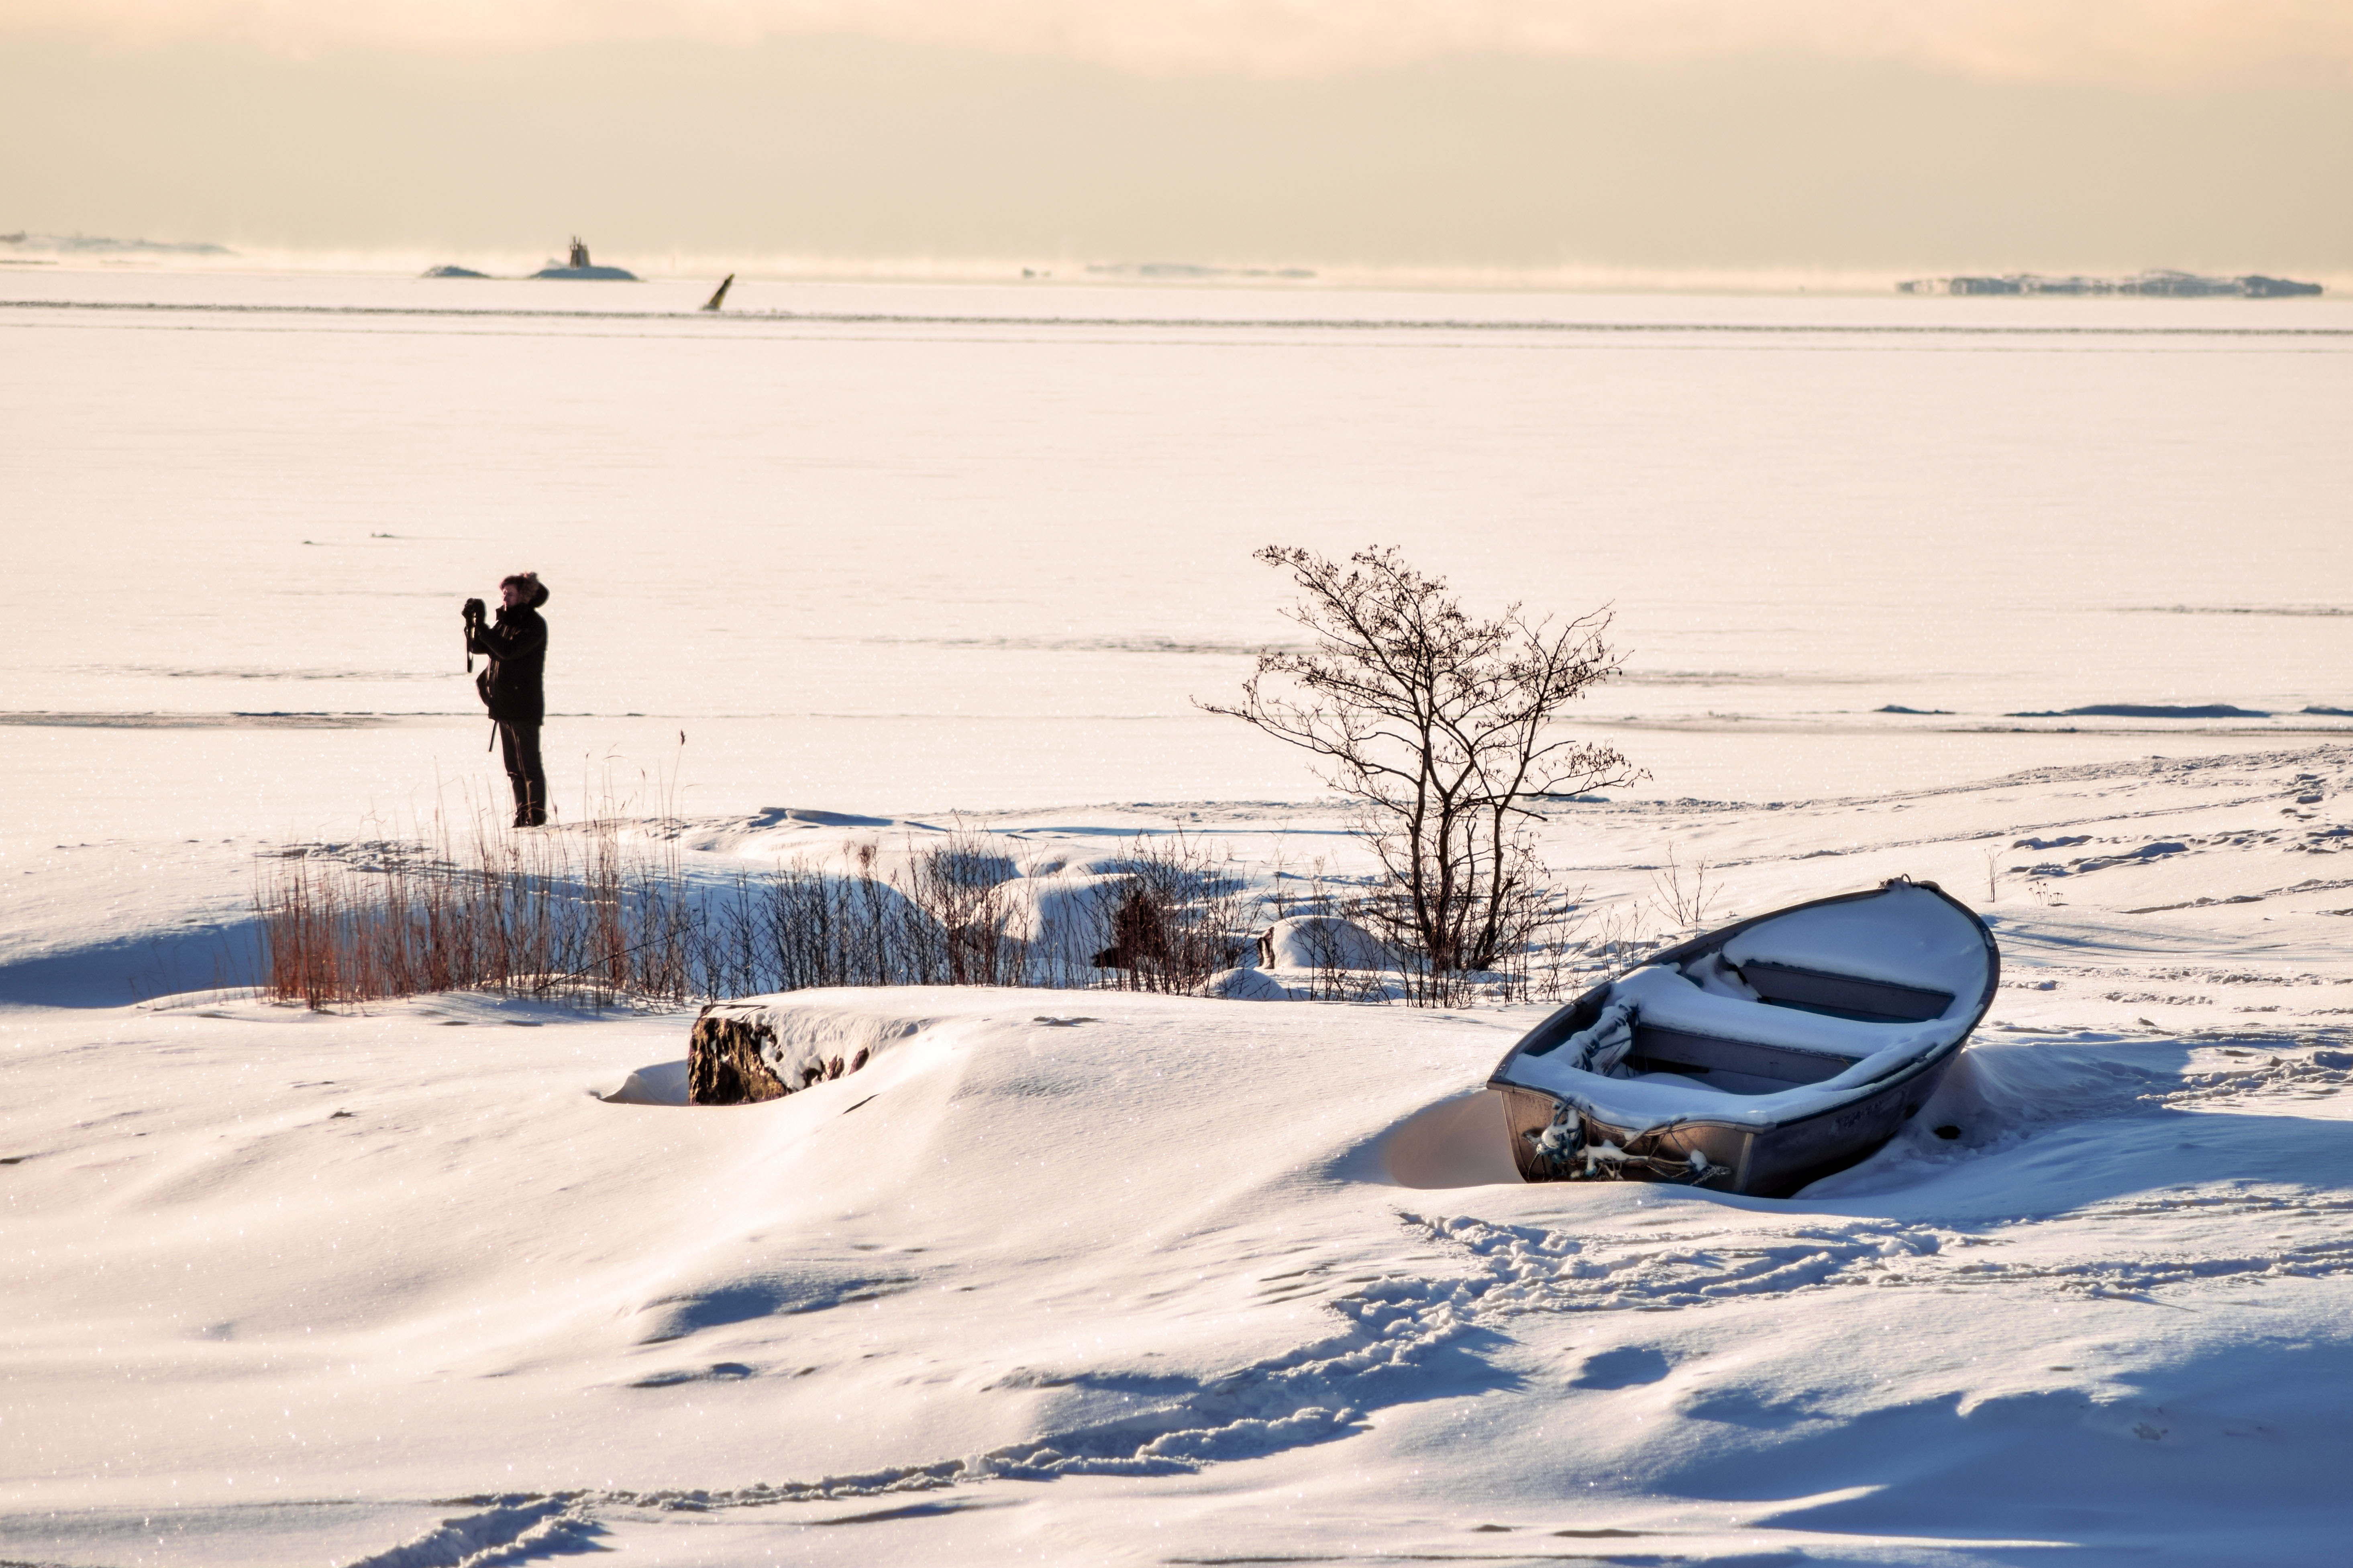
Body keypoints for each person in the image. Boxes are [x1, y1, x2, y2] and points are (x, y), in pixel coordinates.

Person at [463, 572, 551, 827]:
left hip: (524, 706)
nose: (505, 598)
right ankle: (522, 815)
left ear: (523, 596)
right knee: (513, 768)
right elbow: (479, 648)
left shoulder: (533, 625)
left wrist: (483, 629)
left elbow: (508, 651)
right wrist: (473, 624)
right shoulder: (506, 623)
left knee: (530, 766)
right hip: (504, 707)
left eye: (509, 594)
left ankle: (535, 817)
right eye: (503, 594)